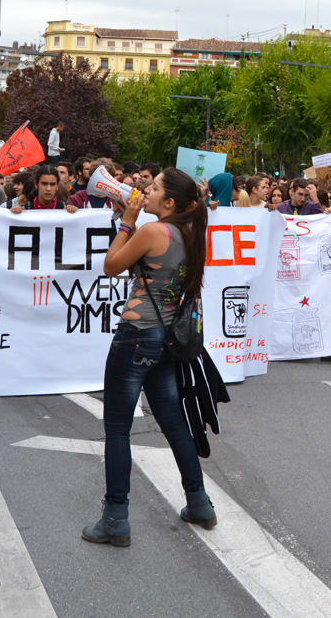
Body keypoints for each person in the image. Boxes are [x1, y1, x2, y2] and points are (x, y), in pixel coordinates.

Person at [82, 167, 216, 547]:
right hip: (167, 342)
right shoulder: (190, 233)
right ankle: (199, 502)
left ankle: (115, 517)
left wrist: (126, 222)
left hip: (136, 338)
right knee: (174, 424)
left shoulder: (153, 230)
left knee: (117, 429)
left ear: (169, 203)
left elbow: (111, 265)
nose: (146, 190)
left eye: (154, 188)